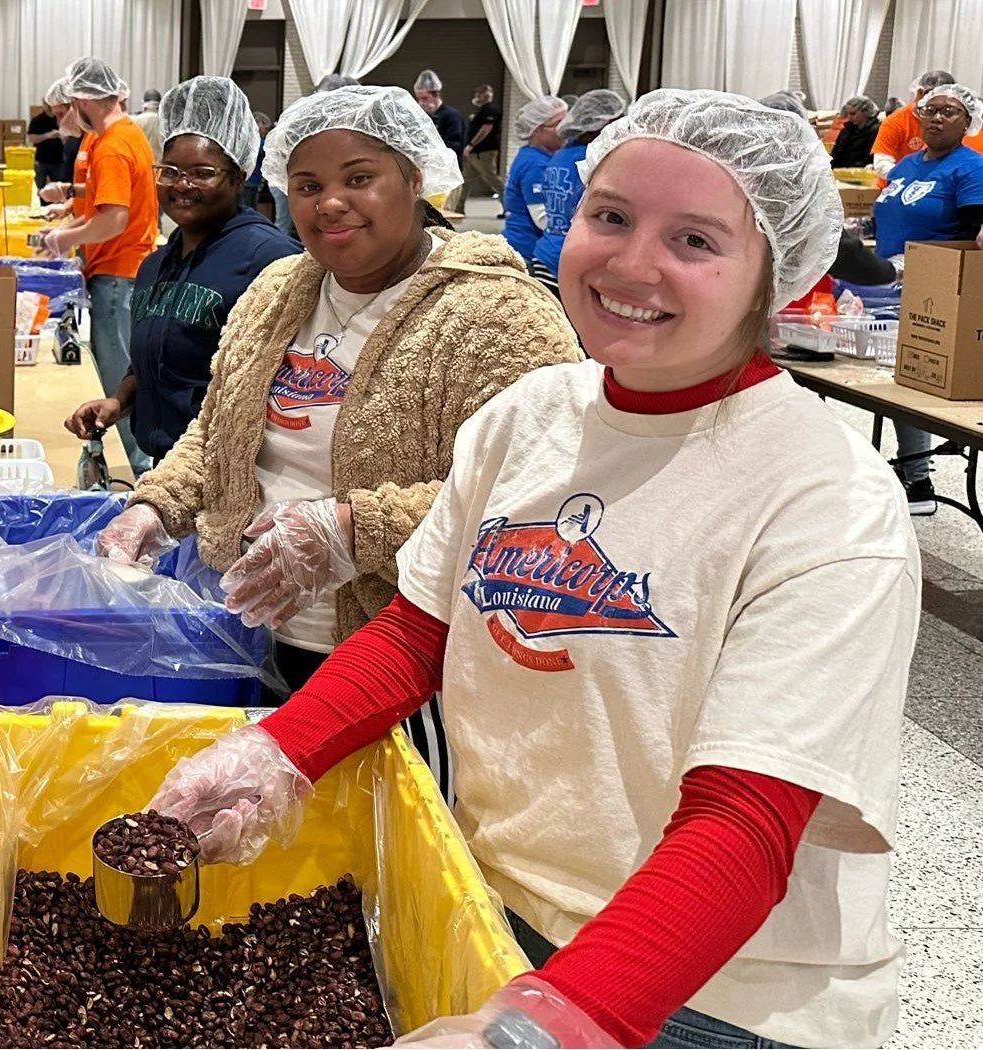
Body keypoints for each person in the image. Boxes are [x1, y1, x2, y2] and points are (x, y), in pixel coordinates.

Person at [147, 89, 913, 1050]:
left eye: (696, 241)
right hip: (499, 910)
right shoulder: (535, 415)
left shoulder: (825, 498)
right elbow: (419, 632)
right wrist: (276, 753)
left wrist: (549, 1024)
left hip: (715, 988)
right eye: (612, 216)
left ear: (777, 276)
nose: (633, 264)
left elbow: (748, 823)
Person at [94, 85, 580, 796]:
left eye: (359, 179)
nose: (329, 203)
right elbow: (218, 428)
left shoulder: (498, 317)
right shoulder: (277, 290)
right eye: (307, 184)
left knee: (375, 856)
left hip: (400, 664)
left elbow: (537, 499)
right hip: (250, 637)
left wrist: (354, 530)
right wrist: (155, 506)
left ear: (415, 179)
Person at [65, 77, 300, 465]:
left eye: (203, 173)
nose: (183, 185)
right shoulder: (156, 266)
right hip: (165, 472)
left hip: (232, 481)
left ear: (239, 177)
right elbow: (158, 359)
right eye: (170, 171)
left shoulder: (271, 260)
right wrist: (118, 401)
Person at [41, 57, 162, 477]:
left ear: (82, 101)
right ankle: (141, 460)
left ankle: (139, 467)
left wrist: (64, 238)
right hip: (126, 267)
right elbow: (101, 204)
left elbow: (112, 218)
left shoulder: (111, 144)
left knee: (119, 380)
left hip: (118, 270)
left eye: (69, 107)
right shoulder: (128, 134)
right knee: (125, 369)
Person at [873, 83, 983, 516]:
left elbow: (974, 236)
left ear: (967, 122)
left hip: (933, 288)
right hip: (887, 281)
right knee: (890, 378)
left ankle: (918, 481)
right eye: (930, 110)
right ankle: (905, 472)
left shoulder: (970, 167)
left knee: (914, 377)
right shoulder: (903, 166)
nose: (937, 118)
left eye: (949, 112)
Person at [532, 89, 627, 291]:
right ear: (602, 125)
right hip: (570, 260)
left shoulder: (561, 155)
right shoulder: (595, 160)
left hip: (546, 253)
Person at [501, 94, 568, 265]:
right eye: (559, 124)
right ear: (537, 130)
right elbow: (542, 219)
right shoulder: (535, 165)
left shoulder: (538, 157)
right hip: (527, 251)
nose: (566, 129)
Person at [446, 83, 501, 214]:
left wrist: (471, 144)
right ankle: (457, 209)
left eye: (478, 94)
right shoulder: (480, 111)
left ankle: (511, 208)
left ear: (485, 95)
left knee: (493, 180)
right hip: (474, 153)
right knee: (465, 182)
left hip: (483, 153)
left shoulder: (491, 110)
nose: (475, 97)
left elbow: (486, 129)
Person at [413, 70, 468, 161]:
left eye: (424, 98)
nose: (421, 103)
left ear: (436, 95)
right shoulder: (426, 117)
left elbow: (455, 146)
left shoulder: (451, 116)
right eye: (418, 99)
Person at [28, 83, 72, 188]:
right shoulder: (37, 120)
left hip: (59, 160)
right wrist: (47, 136)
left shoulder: (64, 118)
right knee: (39, 187)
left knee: (60, 187)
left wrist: (63, 136)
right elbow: (31, 138)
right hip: (41, 160)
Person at [831, 94, 882, 168]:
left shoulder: (875, 132)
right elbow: (835, 154)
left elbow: (870, 158)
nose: (849, 117)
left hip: (860, 175)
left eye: (853, 113)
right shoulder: (846, 131)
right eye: (848, 113)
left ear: (865, 112)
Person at [137, 88, 165, 163]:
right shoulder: (164, 121)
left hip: (141, 165)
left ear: (144, 103)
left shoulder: (135, 121)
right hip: (159, 167)